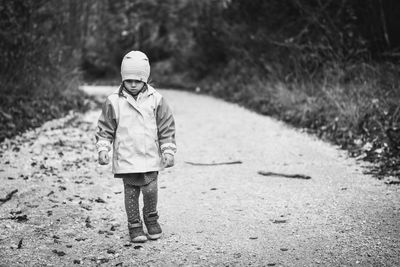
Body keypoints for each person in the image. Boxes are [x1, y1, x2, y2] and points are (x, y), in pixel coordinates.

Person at [95, 50, 176, 243]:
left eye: (137, 80)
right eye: (129, 80)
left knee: (150, 189)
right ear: (123, 78)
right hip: (127, 155)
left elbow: (166, 127)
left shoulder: (156, 100)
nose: (132, 84)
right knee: (131, 192)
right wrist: (103, 148)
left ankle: (151, 217)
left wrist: (168, 150)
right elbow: (106, 127)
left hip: (149, 155)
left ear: (145, 79)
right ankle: (134, 225)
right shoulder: (114, 101)